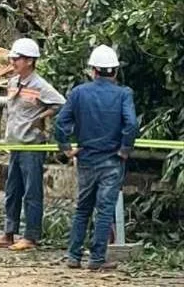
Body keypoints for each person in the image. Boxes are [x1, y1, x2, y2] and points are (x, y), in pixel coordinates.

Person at [56, 45, 138, 271]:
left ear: (93, 70)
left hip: (86, 159)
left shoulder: (79, 93)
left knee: (83, 208)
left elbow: (60, 123)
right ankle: (97, 259)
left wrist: (66, 148)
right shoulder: (124, 94)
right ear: (115, 72)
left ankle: (73, 257)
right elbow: (131, 123)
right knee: (104, 211)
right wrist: (124, 149)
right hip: (112, 160)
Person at [0, 37, 65, 251]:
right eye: (13, 58)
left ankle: (31, 236)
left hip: (31, 146)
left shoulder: (40, 85)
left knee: (32, 192)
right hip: (15, 145)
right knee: (12, 191)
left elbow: (61, 104)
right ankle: (8, 233)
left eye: (17, 58)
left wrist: (42, 117)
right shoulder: (13, 83)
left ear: (29, 61)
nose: (13, 62)